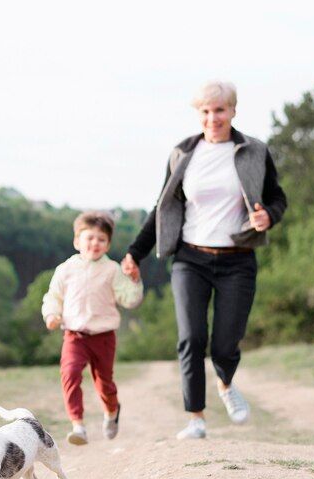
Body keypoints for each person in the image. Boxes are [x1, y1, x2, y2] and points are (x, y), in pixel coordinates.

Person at [122, 81, 287, 440]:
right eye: (206, 112)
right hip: (190, 259)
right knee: (192, 337)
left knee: (226, 342)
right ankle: (196, 418)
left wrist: (268, 216)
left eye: (220, 111)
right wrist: (136, 252)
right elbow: (162, 207)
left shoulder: (254, 151)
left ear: (233, 111)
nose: (213, 118)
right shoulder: (182, 153)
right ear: (198, 114)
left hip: (238, 259)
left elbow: (277, 198)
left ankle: (226, 384)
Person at [43, 211, 143, 445]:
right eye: (89, 238)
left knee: (104, 383)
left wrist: (135, 280)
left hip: (103, 336)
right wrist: (51, 314)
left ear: (108, 244)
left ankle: (112, 411)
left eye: (101, 239)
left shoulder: (112, 270)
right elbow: (53, 297)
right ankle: (78, 425)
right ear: (77, 241)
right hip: (74, 336)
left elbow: (129, 299)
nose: (95, 243)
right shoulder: (65, 269)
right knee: (70, 374)